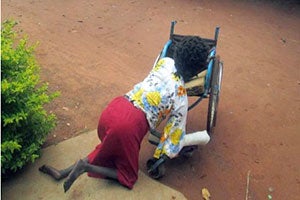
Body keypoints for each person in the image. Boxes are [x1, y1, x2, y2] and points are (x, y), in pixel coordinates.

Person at [39, 36, 210, 192]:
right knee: (128, 176)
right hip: (128, 126)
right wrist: (166, 153)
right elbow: (173, 138)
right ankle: (85, 167)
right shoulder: (181, 97)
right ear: (195, 73)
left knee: (108, 146)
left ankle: (62, 172)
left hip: (114, 109)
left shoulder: (164, 62)